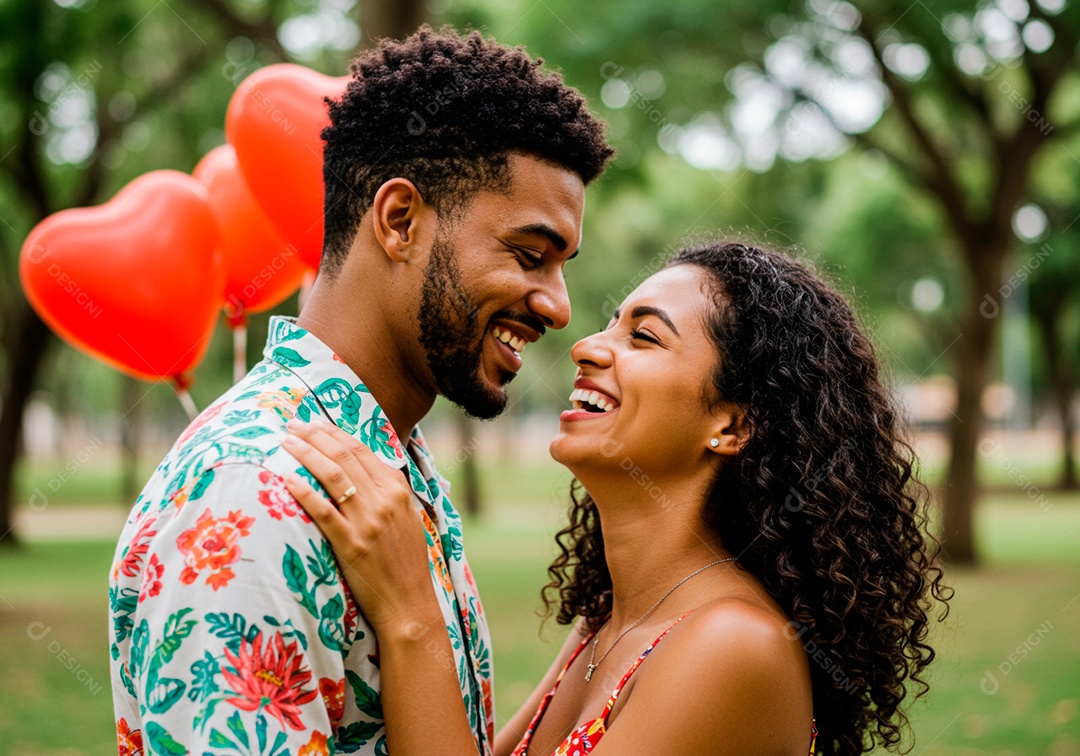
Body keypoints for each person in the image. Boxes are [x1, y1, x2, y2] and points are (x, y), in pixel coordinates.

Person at [108, 26, 613, 755]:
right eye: (529, 256)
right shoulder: (254, 495)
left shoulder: (384, 464)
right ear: (400, 220)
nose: (558, 306)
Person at [280, 241, 952, 756]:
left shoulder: (733, 646)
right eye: (611, 323)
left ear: (732, 425)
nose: (586, 347)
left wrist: (412, 617)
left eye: (644, 336)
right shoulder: (608, 623)